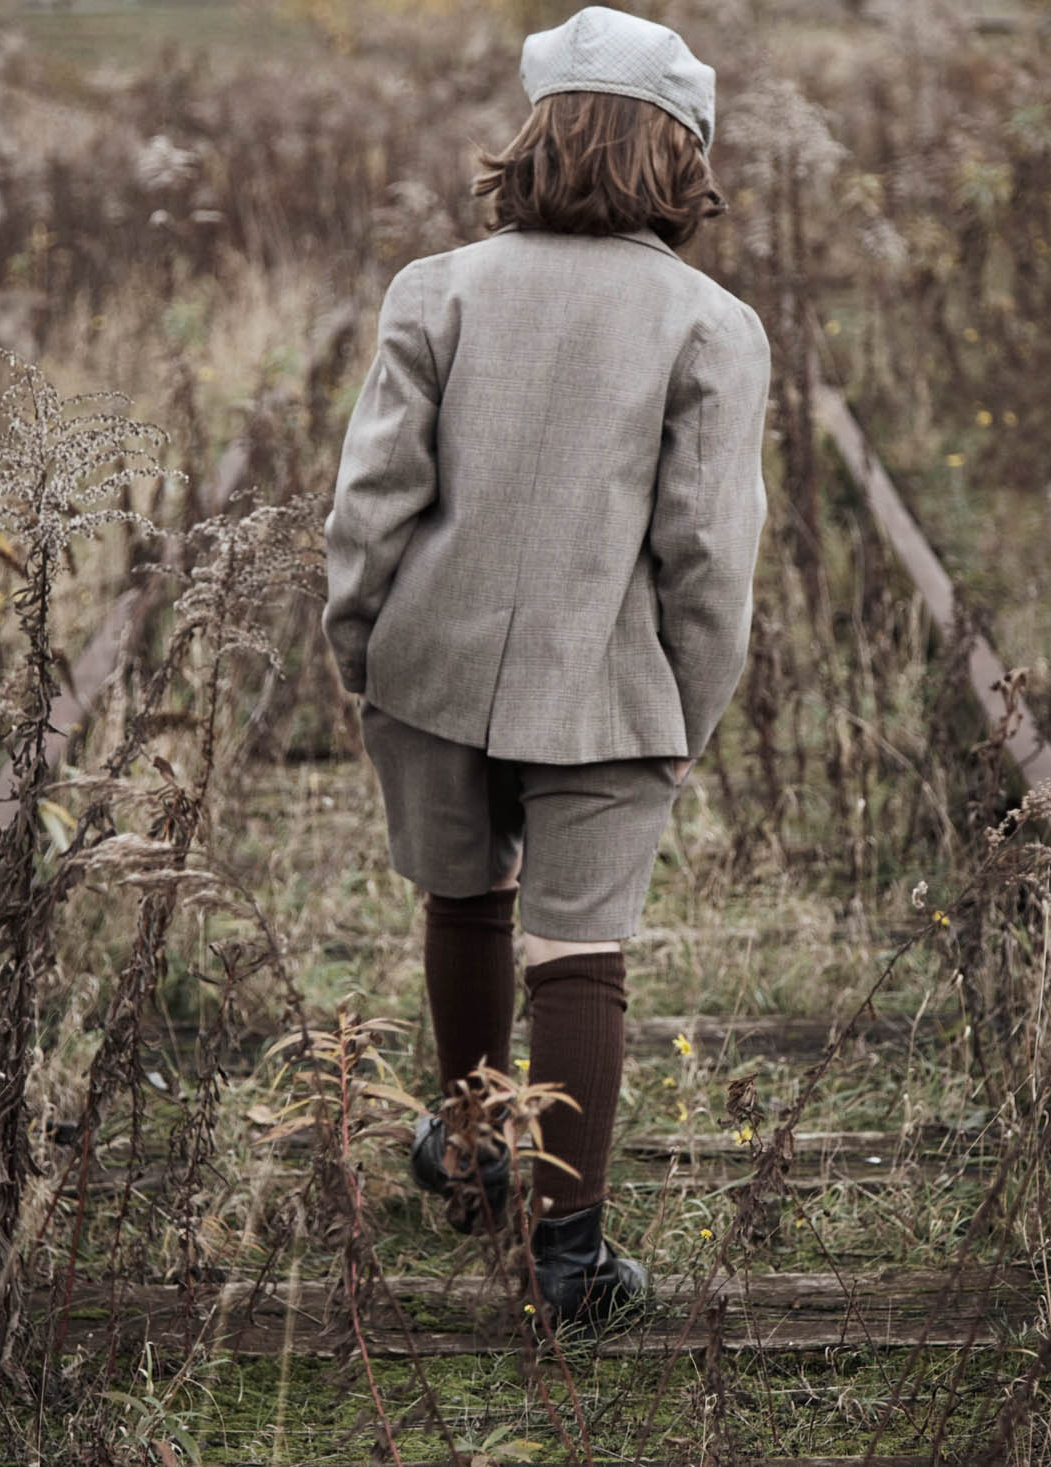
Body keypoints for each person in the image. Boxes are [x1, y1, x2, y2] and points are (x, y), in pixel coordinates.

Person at [320, 4, 770, 1333]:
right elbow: (706, 551)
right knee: (582, 951)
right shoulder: (710, 323)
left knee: (465, 900)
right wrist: (690, 705)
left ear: (533, 134)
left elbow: (372, 505)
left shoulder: (436, 289)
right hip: (612, 685)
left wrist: (364, 649)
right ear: (681, 158)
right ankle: (567, 1261)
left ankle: (467, 1157)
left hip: (433, 664)